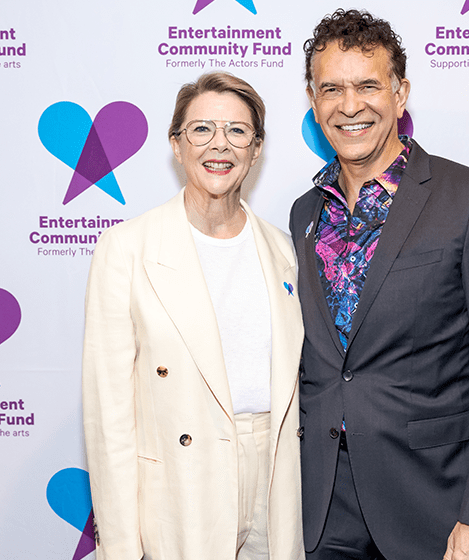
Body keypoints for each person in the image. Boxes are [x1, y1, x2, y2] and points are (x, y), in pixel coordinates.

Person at [289, 9, 469, 560]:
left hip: (435, 506)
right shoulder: (305, 213)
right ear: (313, 99)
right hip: (322, 506)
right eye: (331, 88)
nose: (349, 106)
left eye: (367, 86)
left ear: (401, 94)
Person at [83, 72, 304, 560]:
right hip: (180, 485)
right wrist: (119, 546)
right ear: (176, 145)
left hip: (274, 477)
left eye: (237, 131)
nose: (219, 145)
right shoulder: (127, 249)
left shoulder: (284, 250)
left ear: (257, 148)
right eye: (202, 129)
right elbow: (109, 417)